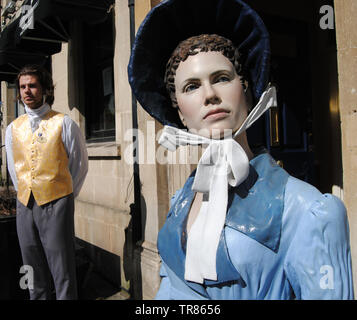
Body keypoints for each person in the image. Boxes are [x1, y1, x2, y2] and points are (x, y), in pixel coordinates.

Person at [128, 0, 354, 299]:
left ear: (246, 89)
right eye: (191, 86)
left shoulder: (306, 211)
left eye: (221, 79)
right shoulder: (181, 200)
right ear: (180, 112)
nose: (209, 95)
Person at [5, 64, 88, 300]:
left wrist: (64, 195)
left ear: (44, 89)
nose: (26, 91)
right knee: (31, 264)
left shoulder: (65, 123)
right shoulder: (12, 128)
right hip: (24, 204)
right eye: (22, 87)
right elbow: (14, 167)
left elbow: (79, 165)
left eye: (32, 85)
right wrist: (25, 191)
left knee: (62, 268)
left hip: (57, 202)